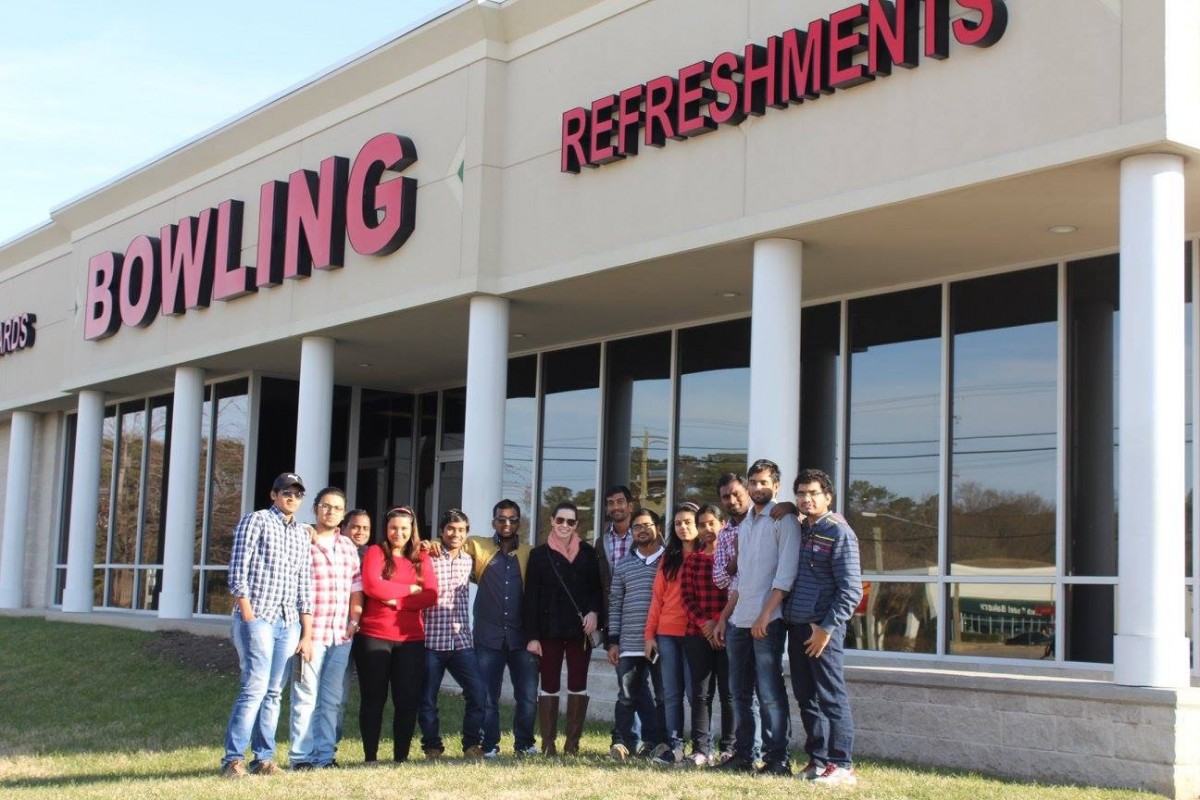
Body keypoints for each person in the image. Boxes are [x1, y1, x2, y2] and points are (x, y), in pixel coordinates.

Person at [221, 472, 314, 778]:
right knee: (254, 687)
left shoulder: (302, 533)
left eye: (298, 493)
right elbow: (238, 567)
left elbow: (304, 582)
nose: (292, 497)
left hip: (288, 621)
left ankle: (263, 758)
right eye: (286, 492)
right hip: (259, 616)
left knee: (274, 692)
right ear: (274, 494)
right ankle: (233, 759)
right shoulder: (256, 520)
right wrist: (246, 610)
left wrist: (305, 628)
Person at [715, 459, 800, 776]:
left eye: (764, 482)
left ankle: (778, 759)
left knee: (769, 693)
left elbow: (785, 576)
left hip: (769, 621)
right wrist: (727, 616)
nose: (758, 487)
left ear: (776, 485)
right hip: (740, 619)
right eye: (753, 482)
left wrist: (765, 615)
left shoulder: (784, 520)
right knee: (739, 693)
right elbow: (743, 577)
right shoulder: (744, 525)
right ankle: (744, 755)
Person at [782, 469, 863, 786]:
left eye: (813, 493)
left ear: (827, 496)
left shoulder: (840, 533)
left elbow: (851, 590)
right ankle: (818, 760)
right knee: (806, 697)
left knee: (831, 697)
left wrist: (826, 628)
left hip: (823, 631)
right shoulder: (803, 531)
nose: (806, 499)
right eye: (800, 493)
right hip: (797, 625)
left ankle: (842, 765)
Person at [354, 506, 438, 763]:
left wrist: (395, 601)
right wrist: (410, 589)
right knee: (373, 699)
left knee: (407, 700)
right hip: (373, 635)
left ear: (412, 530)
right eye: (393, 528)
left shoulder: (422, 557)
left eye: (403, 528)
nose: (398, 533)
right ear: (386, 529)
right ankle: (370, 757)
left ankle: (400, 758)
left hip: (410, 640)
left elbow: (431, 595)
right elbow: (371, 585)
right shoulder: (375, 552)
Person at [457, 499, 538, 757]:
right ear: (493, 522)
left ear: (519, 523)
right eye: (501, 519)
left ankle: (524, 744)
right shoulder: (477, 545)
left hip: (521, 637)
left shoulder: (529, 552)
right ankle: (489, 745)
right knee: (488, 697)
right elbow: (450, 543)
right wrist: (430, 545)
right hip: (487, 635)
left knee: (526, 696)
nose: (506, 524)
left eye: (512, 519)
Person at [288, 488, 361, 770]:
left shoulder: (347, 547)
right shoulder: (301, 540)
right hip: (310, 635)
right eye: (325, 506)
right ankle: (301, 757)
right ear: (316, 509)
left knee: (331, 700)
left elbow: (356, 587)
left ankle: (324, 756)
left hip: (341, 636)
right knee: (305, 697)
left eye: (337, 508)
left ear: (343, 514)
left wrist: (354, 621)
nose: (330, 512)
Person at [524, 501, 603, 756]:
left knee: (578, 684)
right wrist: (532, 636)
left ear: (577, 525)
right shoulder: (538, 555)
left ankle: (572, 744)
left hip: (580, 630)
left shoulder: (588, 553)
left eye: (571, 522)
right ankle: (548, 745)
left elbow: (596, 590)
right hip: (549, 630)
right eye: (561, 521)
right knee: (549, 685)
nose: (565, 526)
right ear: (552, 521)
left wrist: (594, 613)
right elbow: (530, 599)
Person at [418, 509, 488, 760]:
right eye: (450, 529)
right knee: (427, 698)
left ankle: (471, 744)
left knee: (479, 692)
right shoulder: (429, 556)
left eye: (460, 530)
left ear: (466, 533)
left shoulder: (469, 560)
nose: (455, 534)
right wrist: (425, 546)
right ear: (441, 531)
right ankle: (432, 746)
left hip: (461, 642)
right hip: (431, 641)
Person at [607, 507, 667, 762]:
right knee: (627, 695)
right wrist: (613, 640)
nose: (641, 530)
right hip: (629, 642)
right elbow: (615, 603)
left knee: (663, 695)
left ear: (658, 528)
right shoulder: (624, 565)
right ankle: (622, 742)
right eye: (637, 527)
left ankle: (659, 743)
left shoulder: (669, 561)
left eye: (646, 525)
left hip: (661, 641)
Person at [644, 502, 702, 765]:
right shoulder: (669, 558)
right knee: (671, 693)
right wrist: (649, 635)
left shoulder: (707, 554)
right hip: (667, 633)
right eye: (678, 523)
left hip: (696, 634)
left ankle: (702, 748)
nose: (683, 527)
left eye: (688, 522)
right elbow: (657, 599)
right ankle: (675, 747)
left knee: (695, 693)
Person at [679, 503, 734, 766]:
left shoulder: (730, 560)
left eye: (712, 523)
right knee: (701, 694)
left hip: (727, 632)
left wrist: (718, 623)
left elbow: (735, 592)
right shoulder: (692, 561)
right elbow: (687, 598)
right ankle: (701, 749)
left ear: (723, 524)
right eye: (702, 525)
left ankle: (729, 747)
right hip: (696, 633)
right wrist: (705, 624)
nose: (707, 529)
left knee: (728, 692)